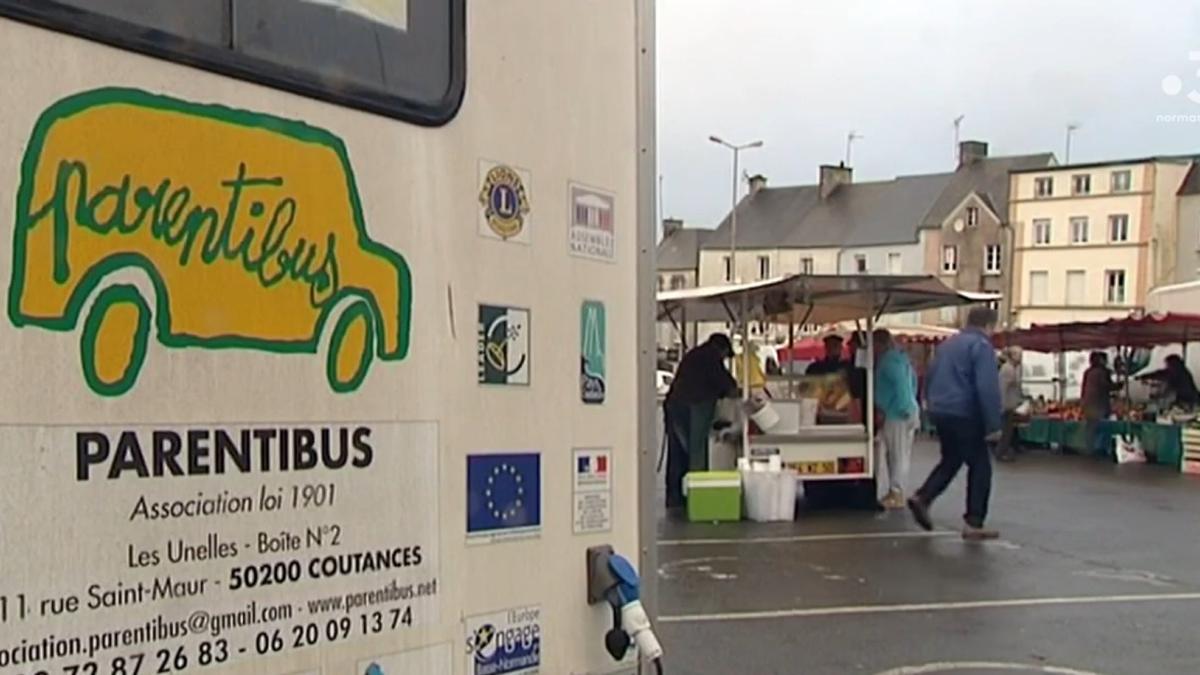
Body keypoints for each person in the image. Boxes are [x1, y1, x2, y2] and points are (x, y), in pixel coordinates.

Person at [908, 307, 1003, 540]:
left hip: (942, 410)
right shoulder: (981, 347)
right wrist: (993, 424)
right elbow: (986, 387)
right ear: (989, 326)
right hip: (966, 412)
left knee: (951, 459)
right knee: (981, 465)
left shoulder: (946, 345)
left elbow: (929, 375)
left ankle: (924, 496)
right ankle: (974, 522)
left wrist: (929, 405)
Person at [663, 333, 739, 508]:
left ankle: (674, 495)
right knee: (697, 450)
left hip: (675, 404)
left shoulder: (694, 355)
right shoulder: (711, 357)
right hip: (695, 406)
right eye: (726, 356)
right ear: (722, 349)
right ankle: (696, 497)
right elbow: (726, 384)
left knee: (676, 453)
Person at [872, 329, 919, 509]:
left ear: (879, 344)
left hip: (896, 413)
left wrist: (904, 407)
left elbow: (902, 385)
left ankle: (897, 492)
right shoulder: (901, 358)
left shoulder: (888, 361)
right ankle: (895, 491)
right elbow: (912, 382)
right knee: (897, 454)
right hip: (901, 411)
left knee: (897, 455)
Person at [1081, 351, 1120, 455]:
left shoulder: (1088, 372)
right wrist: (1118, 386)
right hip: (1099, 403)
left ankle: (1090, 448)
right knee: (1102, 426)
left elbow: (1084, 389)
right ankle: (1100, 448)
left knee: (1091, 427)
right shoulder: (1102, 372)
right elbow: (1106, 385)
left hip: (1088, 403)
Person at [997, 346, 1025, 462]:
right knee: (1006, 431)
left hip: (1011, 404)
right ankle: (1001, 452)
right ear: (1012, 356)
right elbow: (1003, 388)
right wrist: (1002, 405)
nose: (1021, 358)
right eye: (1019, 355)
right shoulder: (1008, 369)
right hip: (1007, 404)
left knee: (1010, 429)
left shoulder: (1013, 368)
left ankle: (1008, 449)